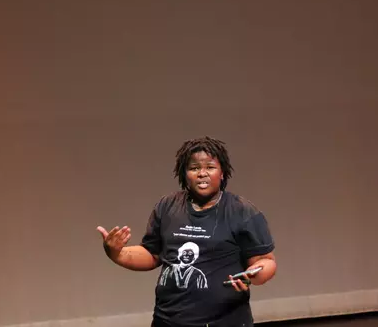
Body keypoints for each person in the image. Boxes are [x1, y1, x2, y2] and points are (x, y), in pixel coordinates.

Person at [97, 136, 276, 327]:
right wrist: (116, 252)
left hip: (225, 321)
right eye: (194, 168)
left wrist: (253, 275)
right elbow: (152, 254)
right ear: (185, 174)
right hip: (168, 320)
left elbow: (266, 261)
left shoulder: (242, 211)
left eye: (210, 167)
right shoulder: (168, 206)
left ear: (222, 173)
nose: (202, 173)